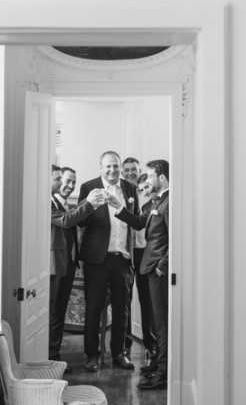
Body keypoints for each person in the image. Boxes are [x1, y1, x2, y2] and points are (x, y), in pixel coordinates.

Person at [77, 150, 140, 372]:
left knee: (122, 310)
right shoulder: (88, 187)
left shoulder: (130, 189)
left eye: (116, 166)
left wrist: (121, 209)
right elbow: (81, 222)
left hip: (122, 259)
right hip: (96, 260)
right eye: (108, 166)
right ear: (101, 168)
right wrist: (91, 204)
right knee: (94, 308)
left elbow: (138, 222)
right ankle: (92, 355)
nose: (113, 170)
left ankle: (119, 354)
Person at [113, 159, 170, 391]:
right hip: (149, 268)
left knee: (163, 325)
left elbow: (175, 238)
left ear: (162, 177)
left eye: (149, 175)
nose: (145, 180)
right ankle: (157, 364)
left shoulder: (170, 202)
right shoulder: (157, 201)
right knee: (158, 323)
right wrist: (118, 208)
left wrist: (162, 266)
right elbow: (139, 223)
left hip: (158, 271)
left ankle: (163, 375)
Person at [49, 166, 105, 364]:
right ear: (55, 180)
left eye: (73, 182)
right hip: (54, 267)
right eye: (66, 180)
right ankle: (51, 359)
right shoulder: (49, 203)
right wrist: (88, 204)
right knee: (53, 312)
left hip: (69, 265)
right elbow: (66, 221)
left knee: (59, 312)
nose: (70, 185)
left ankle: (55, 357)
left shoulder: (64, 204)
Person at [121, 158, 156, 362]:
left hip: (145, 252)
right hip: (126, 251)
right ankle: (125, 345)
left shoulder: (148, 192)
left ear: (139, 171)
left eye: (134, 169)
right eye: (127, 170)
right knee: (125, 301)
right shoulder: (121, 192)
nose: (131, 172)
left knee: (147, 300)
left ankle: (151, 345)